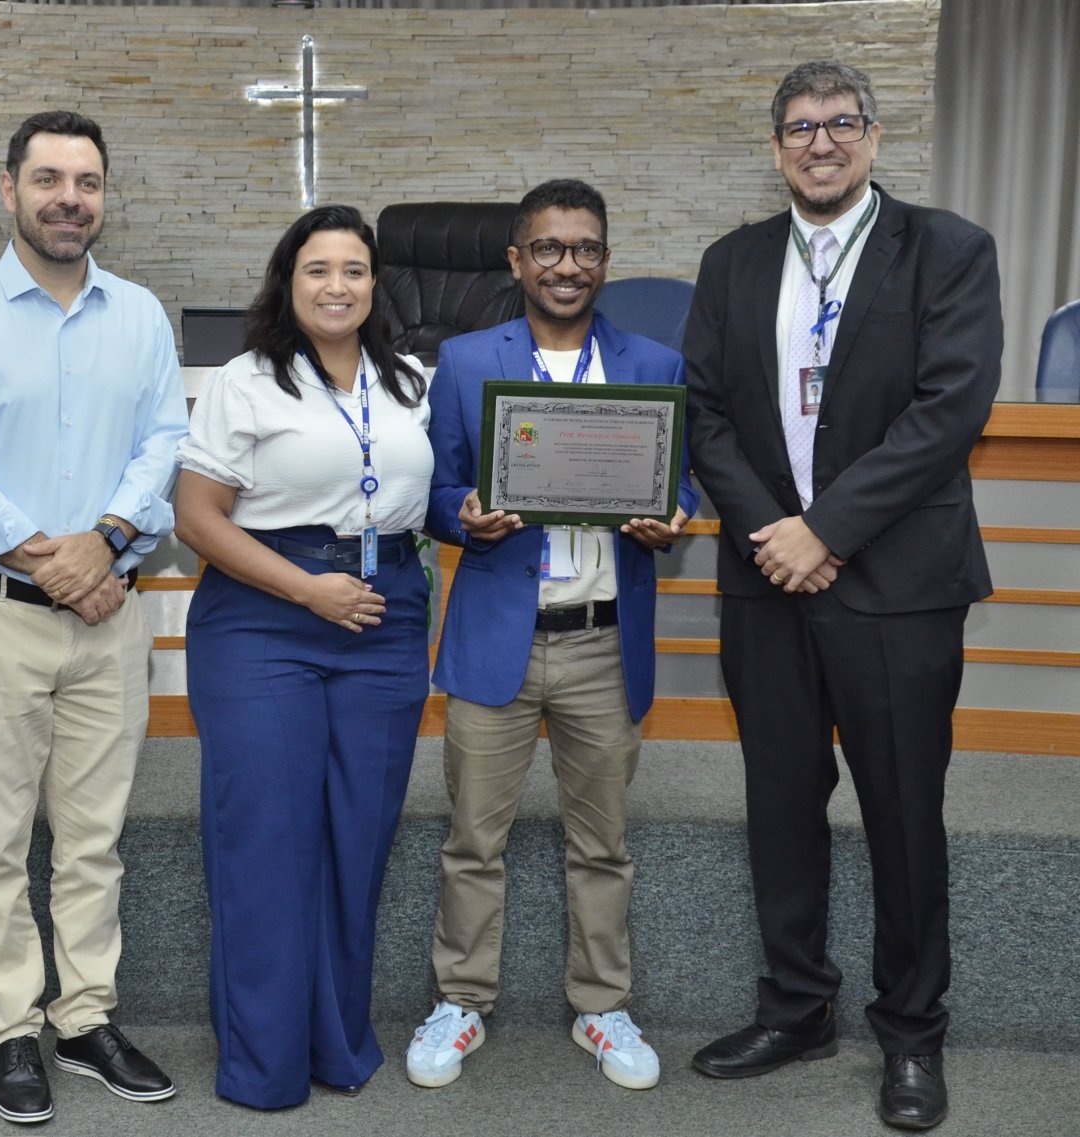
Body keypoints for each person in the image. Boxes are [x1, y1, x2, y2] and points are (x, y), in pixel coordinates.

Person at [682, 62, 1001, 1131]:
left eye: (839, 123)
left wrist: (826, 529)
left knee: (903, 813)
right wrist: (775, 534)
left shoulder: (948, 250)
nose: (819, 142)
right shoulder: (730, 262)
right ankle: (795, 1009)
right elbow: (703, 414)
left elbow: (949, 409)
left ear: (872, 136)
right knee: (779, 804)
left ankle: (910, 1033)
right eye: (799, 127)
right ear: (774, 146)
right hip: (766, 580)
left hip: (897, 585)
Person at [0, 110, 186, 1125]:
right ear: (9, 189)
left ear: (105, 197)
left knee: (93, 839)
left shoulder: (140, 317)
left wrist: (105, 541)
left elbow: (163, 446)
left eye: (88, 182)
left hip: (111, 615)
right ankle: (12, 1030)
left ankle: (84, 1018)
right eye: (50, 179)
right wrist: (64, 565)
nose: (70, 199)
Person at [406, 179, 700, 1092]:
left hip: (604, 641)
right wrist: (462, 515)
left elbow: (683, 481)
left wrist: (675, 515)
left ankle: (602, 1005)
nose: (567, 265)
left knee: (602, 843)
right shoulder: (464, 361)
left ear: (605, 260)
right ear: (516, 260)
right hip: (498, 633)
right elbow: (437, 490)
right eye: (547, 248)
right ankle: (461, 1000)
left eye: (585, 249)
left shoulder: (654, 362)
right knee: (472, 840)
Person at [174, 205, 432, 1110]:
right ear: (288, 282)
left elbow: (428, 494)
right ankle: (265, 1063)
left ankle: (335, 1043)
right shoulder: (245, 381)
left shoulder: (410, 380)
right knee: (268, 841)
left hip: (385, 619)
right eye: (317, 269)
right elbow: (196, 516)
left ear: (375, 285)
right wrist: (305, 588)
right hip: (264, 620)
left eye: (354, 270)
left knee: (358, 840)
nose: (336, 285)